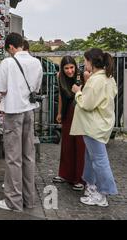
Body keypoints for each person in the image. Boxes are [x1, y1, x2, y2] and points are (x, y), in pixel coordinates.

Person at [0, 32, 43, 211]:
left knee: (13, 158)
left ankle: (13, 201)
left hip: (13, 112)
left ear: (11, 47)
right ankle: (29, 200)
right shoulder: (36, 62)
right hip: (29, 111)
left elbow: (1, 89)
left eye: (9, 50)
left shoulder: (7, 62)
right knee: (28, 156)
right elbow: (36, 88)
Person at [70, 48, 118, 207]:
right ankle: (92, 187)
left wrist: (78, 92)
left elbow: (87, 104)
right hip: (100, 124)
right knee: (91, 158)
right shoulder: (107, 77)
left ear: (91, 61)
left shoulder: (96, 80)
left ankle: (103, 193)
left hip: (93, 126)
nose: (84, 64)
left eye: (85, 61)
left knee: (98, 160)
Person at [53, 56, 86, 191]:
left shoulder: (83, 75)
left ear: (75, 66)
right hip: (67, 112)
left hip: (80, 112)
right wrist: (59, 113)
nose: (69, 71)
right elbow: (61, 95)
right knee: (66, 144)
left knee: (79, 144)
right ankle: (65, 174)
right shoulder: (59, 75)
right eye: (66, 68)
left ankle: (80, 178)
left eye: (71, 67)